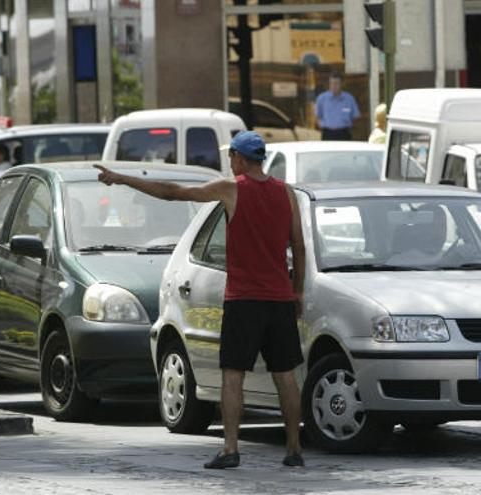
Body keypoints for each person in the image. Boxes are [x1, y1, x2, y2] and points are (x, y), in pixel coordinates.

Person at [94, 131, 306, 469]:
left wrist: (121, 179)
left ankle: (230, 449)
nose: (229, 162)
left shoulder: (231, 188)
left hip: (244, 299)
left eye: (231, 156)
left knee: (233, 374)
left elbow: (174, 193)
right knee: (286, 376)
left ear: (239, 157)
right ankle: (294, 449)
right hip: (279, 299)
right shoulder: (287, 193)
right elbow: (299, 245)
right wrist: (297, 291)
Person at [315, 73, 360, 141]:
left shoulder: (349, 99)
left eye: (336, 83)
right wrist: (323, 126)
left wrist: (346, 124)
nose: (334, 86)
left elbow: (356, 116)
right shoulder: (322, 99)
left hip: (344, 133)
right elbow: (317, 116)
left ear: (342, 84)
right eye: (331, 83)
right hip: (328, 133)